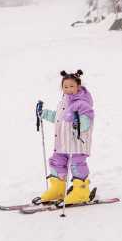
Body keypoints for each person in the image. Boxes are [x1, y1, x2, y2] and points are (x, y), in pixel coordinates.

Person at [40, 69, 94, 204]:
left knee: (77, 164)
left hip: (77, 142)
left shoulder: (82, 102)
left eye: (71, 86)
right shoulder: (64, 102)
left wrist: (80, 123)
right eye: (65, 87)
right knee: (56, 162)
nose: (68, 89)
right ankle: (58, 189)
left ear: (78, 86)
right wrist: (44, 114)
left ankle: (81, 192)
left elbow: (88, 117)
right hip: (62, 141)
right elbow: (59, 119)